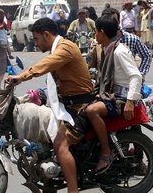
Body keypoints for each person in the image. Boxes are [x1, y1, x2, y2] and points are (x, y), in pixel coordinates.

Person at [7, 18, 94, 193]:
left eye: (37, 39)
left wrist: (21, 77)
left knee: (60, 145)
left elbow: (44, 66)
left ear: (46, 34)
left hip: (79, 107)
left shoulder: (65, 48)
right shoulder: (58, 49)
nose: (36, 43)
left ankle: (72, 190)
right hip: (67, 104)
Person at [85, 15, 142, 175]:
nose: (95, 36)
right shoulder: (106, 49)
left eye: (96, 32)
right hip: (111, 94)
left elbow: (136, 76)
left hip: (121, 98)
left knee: (92, 111)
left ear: (102, 32)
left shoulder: (119, 51)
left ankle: (105, 152)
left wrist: (130, 101)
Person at [98, 8, 153, 77]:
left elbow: (147, 55)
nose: (110, 24)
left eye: (113, 21)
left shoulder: (131, 39)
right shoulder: (99, 42)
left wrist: (141, 74)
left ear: (118, 22)